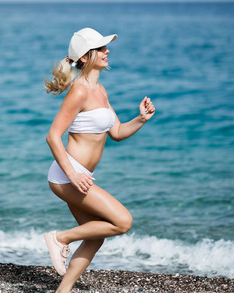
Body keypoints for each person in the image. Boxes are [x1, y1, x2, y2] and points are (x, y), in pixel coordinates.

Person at [44, 27, 155, 293]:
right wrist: (73, 175)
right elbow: (52, 137)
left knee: (96, 236)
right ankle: (60, 238)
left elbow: (116, 132)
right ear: (84, 57)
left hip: (78, 176)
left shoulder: (100, 90)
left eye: (106, 47)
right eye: (101, 48)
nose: (107, 51)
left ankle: (63, 290)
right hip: (67, 175)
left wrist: (140, 119)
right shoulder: (79, 91)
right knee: (123, 221)